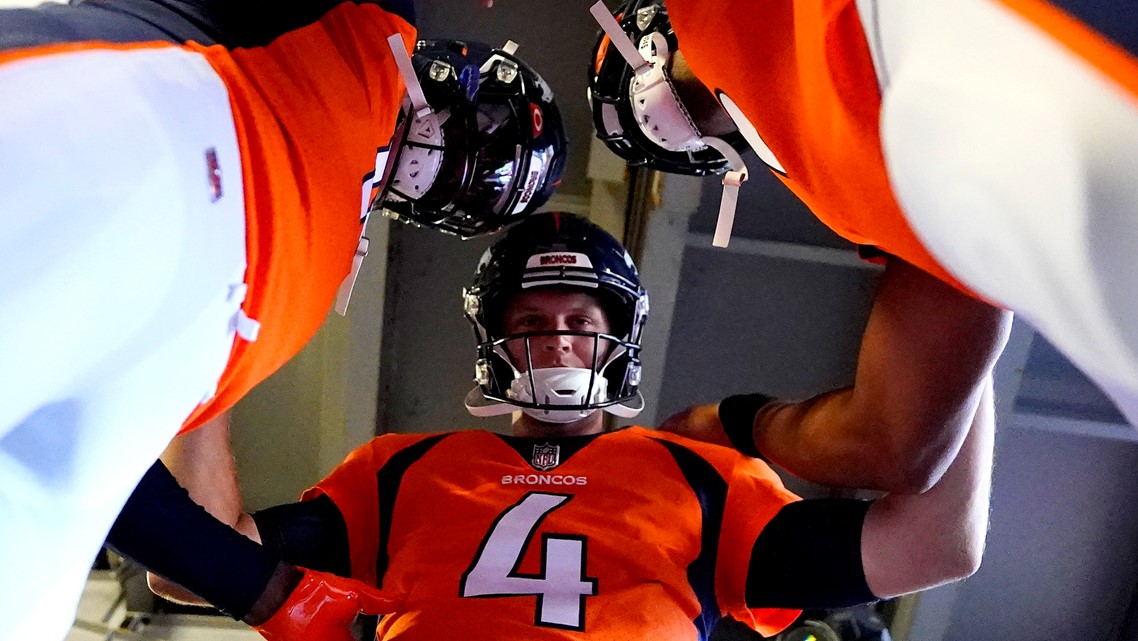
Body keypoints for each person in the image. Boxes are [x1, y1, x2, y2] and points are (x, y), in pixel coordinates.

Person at [126, 212, 995, 641]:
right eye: (532, 319)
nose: (557, 337)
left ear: (620, 337)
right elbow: (194, 572)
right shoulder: (401, 468)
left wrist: (971, 289)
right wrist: (213, 368)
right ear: (492, 338)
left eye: (580, 319)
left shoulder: (694, 472)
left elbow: (937, 542)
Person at [0, 2, 566, 639]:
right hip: (145, 147)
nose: (469, 164)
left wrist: (269, 592)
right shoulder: (361, 35)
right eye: (488, 127)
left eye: (487, 184)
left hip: (151, 370)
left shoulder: (317, 266)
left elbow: (118, 484)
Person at [589, 0, 1138, 436]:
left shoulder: (710, 14)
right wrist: (736, 425)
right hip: (1060, 211)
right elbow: (895, 441)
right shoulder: (840, 206)